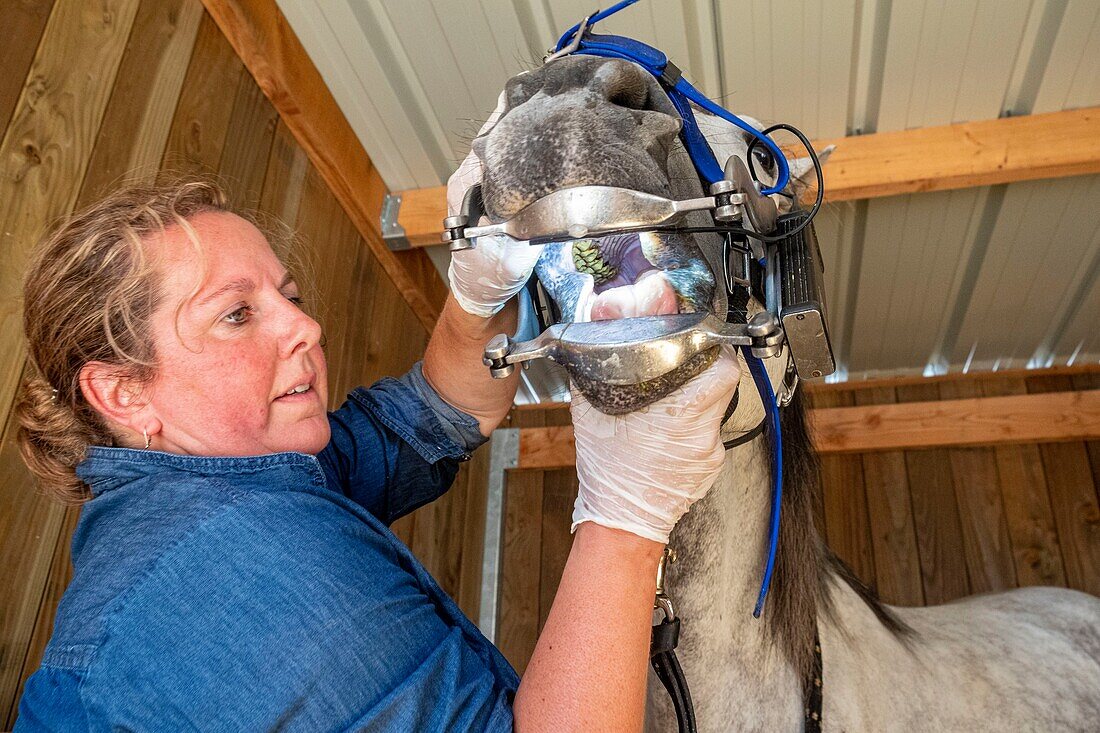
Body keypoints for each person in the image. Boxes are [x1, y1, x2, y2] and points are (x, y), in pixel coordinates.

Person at [13, 168, 738, 728]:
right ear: (123, 392)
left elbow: (431, 415)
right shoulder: (223, 571)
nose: (305, 328)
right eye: (237, 314)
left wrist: (480, 290)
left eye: (287, 295)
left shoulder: (229, 479)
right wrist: (627, 519)